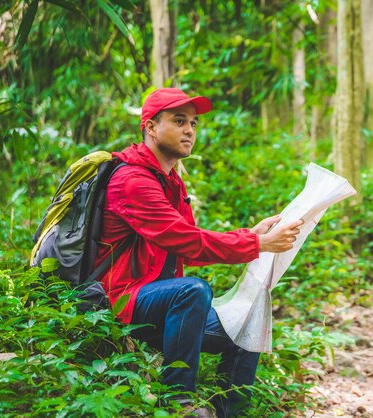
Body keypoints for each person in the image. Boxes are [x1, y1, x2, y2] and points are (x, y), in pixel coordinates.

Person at [94, 88, 303, 417]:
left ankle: (229, 412)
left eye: (193, 123)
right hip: (123, 300)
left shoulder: (171, 180)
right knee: (192, 291)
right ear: (150, 126)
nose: (190, 129)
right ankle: (178, 403)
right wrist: (257, 245)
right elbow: (186, 241)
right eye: (179, 121)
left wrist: (249, 235)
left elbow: (187, 250)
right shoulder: (133, 181)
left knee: (244, 326)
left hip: (158, 299)